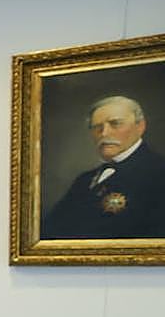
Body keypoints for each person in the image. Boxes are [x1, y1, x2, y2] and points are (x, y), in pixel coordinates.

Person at [41, 95, 165, 239]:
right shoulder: (84, 179)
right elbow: (51, 229)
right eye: (97, 127)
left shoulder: (159, 173)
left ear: (140, 126)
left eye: (116, 123)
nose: (104, 133)